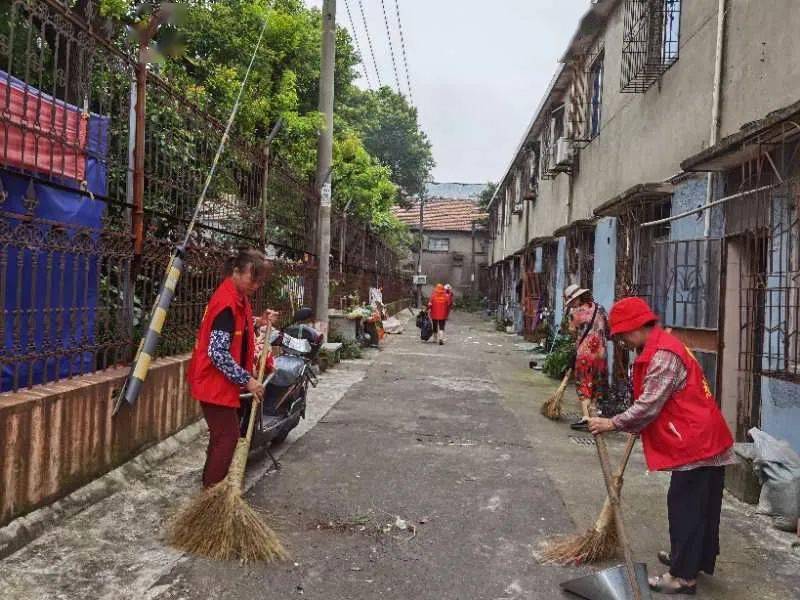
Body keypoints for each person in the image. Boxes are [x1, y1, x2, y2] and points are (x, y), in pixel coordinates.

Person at [588, 297, 735, 596]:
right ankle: (693, 560)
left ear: (639, 326)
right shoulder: (658, 345)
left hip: (697, 441)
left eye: (625, 334)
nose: (625, 341)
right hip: (703, 436)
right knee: (702, 507)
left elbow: (648, 406)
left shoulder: (663, 355)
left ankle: (683, 577)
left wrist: (612, 423)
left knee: (685, 507)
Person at [186, 248, 276, 488]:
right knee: (227, 438)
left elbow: (240, 328)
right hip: (213, 384)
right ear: (236, 271)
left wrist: (260, 321)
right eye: (252, 278)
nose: (256, 285)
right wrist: (248, 380)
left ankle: (210, 483)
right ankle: (212, 495)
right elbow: (218, 353)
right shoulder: (226, 304)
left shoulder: (238, 298)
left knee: (220, 438)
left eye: (259, 280)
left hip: (222, 383)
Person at [563, 283, 609, 430]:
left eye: (572, 301)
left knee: (584, 384)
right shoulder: (600, 308)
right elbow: (608, 329)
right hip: (601, 354)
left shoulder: (575, 312)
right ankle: (594, 417)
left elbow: (571, 331)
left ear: (577, 298)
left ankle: (586, 418)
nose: (572, 304)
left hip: (585, 355)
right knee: (596, 384)